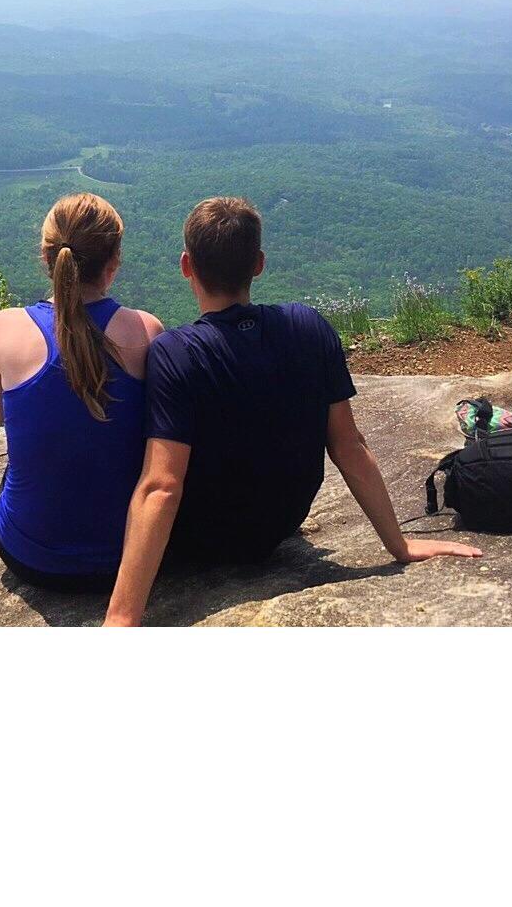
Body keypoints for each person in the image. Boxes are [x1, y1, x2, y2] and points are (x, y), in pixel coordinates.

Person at [103, 197, 480, 626]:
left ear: (186, 265)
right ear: (259, 264)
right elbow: (349, 446)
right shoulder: (309, 326)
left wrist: (121, 618)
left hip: (203, 543)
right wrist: (400, 546)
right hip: (279, 526)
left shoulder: (176, 352)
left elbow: (162, 486)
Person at [0, 193, 163, 591]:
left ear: (46, 258)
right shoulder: (146, 331)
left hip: (31, 556)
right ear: (113, 261)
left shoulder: (0, 330)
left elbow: (2, 418)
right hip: (128, 555)